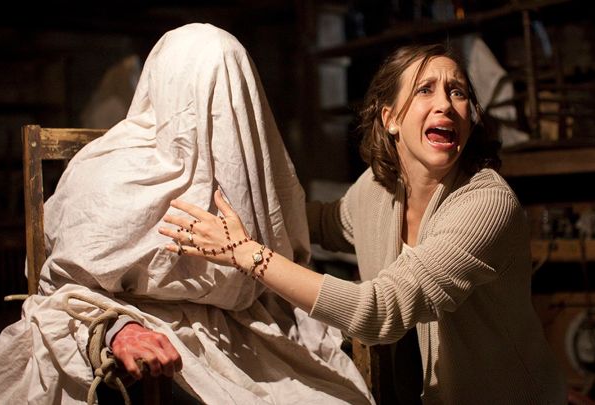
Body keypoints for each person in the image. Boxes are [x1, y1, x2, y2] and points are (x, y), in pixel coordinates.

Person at [0, 23, 372, 404]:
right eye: (209, 94)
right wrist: (117, 327)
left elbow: (283, 253)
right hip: (139, 325)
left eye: (230, 95)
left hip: (247, 332)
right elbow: (62, 283)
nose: (222, 112)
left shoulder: (252, 172)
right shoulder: (105, 172)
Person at [161, 42, 567, 404]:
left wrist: (246, 253)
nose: (445, 104)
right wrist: (229, 201)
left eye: (457, 92)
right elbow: (322, 223)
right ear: (390, 119)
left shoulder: (486, 203)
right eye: (425, 89)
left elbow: (379, 310)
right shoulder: (378, 187)